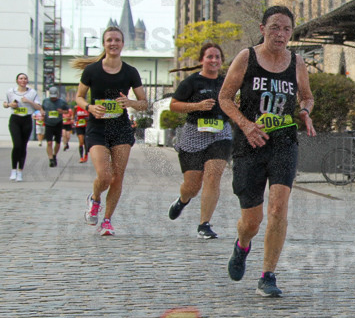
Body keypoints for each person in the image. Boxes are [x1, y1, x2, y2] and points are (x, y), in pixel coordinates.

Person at [218, 6, 315, 298]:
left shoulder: (296, 62)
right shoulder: (246, 57)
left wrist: (305, 111)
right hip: (250, 144)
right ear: (262, 29)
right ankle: (242, 245)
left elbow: (307, 96)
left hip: (284, 142)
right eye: (275, 28)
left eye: (286, 29)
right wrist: (246, 125)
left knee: (277, 208)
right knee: (252, 221)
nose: (280, 34)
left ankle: (268, 275)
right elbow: (225, 98)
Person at [74, 25, 149, 236]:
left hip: (121, 128)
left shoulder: (130, 72)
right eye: (109, 40)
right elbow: (79, 97)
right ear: (104, 44)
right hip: (97, 128)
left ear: (123, 44)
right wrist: (89, 107)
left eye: (117, 40)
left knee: (117, 177)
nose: (113, 43)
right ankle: (95, 198)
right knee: (105, 176)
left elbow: (144, 103)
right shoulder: (92, 70)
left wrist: (130, 102)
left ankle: (107, 221)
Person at [167, 42, 232, 240]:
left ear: (221, 61)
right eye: (209, 56)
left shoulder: (227, 82)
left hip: (220, 133)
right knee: (192, 185)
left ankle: (204, 224)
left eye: (217, 57)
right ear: (202, 60)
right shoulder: (192, 82)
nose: (214, 60)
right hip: (194, 134)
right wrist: (197, 106)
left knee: (213, 176)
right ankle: (183, 200)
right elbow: (173, 105)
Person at [4, 73, 43, 181]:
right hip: (15, 120)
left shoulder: (32, 92)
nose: (23, 80)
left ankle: (20, 171)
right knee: (17, 145)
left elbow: (38, 107)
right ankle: (13, 170)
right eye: (21, 78)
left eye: (25, 78)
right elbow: (5, 104)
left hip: (26, 120)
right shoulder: (11, 91)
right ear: (17, 80)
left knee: (23, 146)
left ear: (27, 81)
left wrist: (28, 101)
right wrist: (10, 105)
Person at [41, 87, 70, 167]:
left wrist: (62, 111)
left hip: (58, 124)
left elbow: (67, 111)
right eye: (52, 97)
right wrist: (42, 114)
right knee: (49, 142)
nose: (53, 99)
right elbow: (42, 109)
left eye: (54, 97)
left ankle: (54, 155)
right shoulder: (45, 101)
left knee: (57, 142)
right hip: (48, 124)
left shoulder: (62, 102)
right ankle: (50, 159)